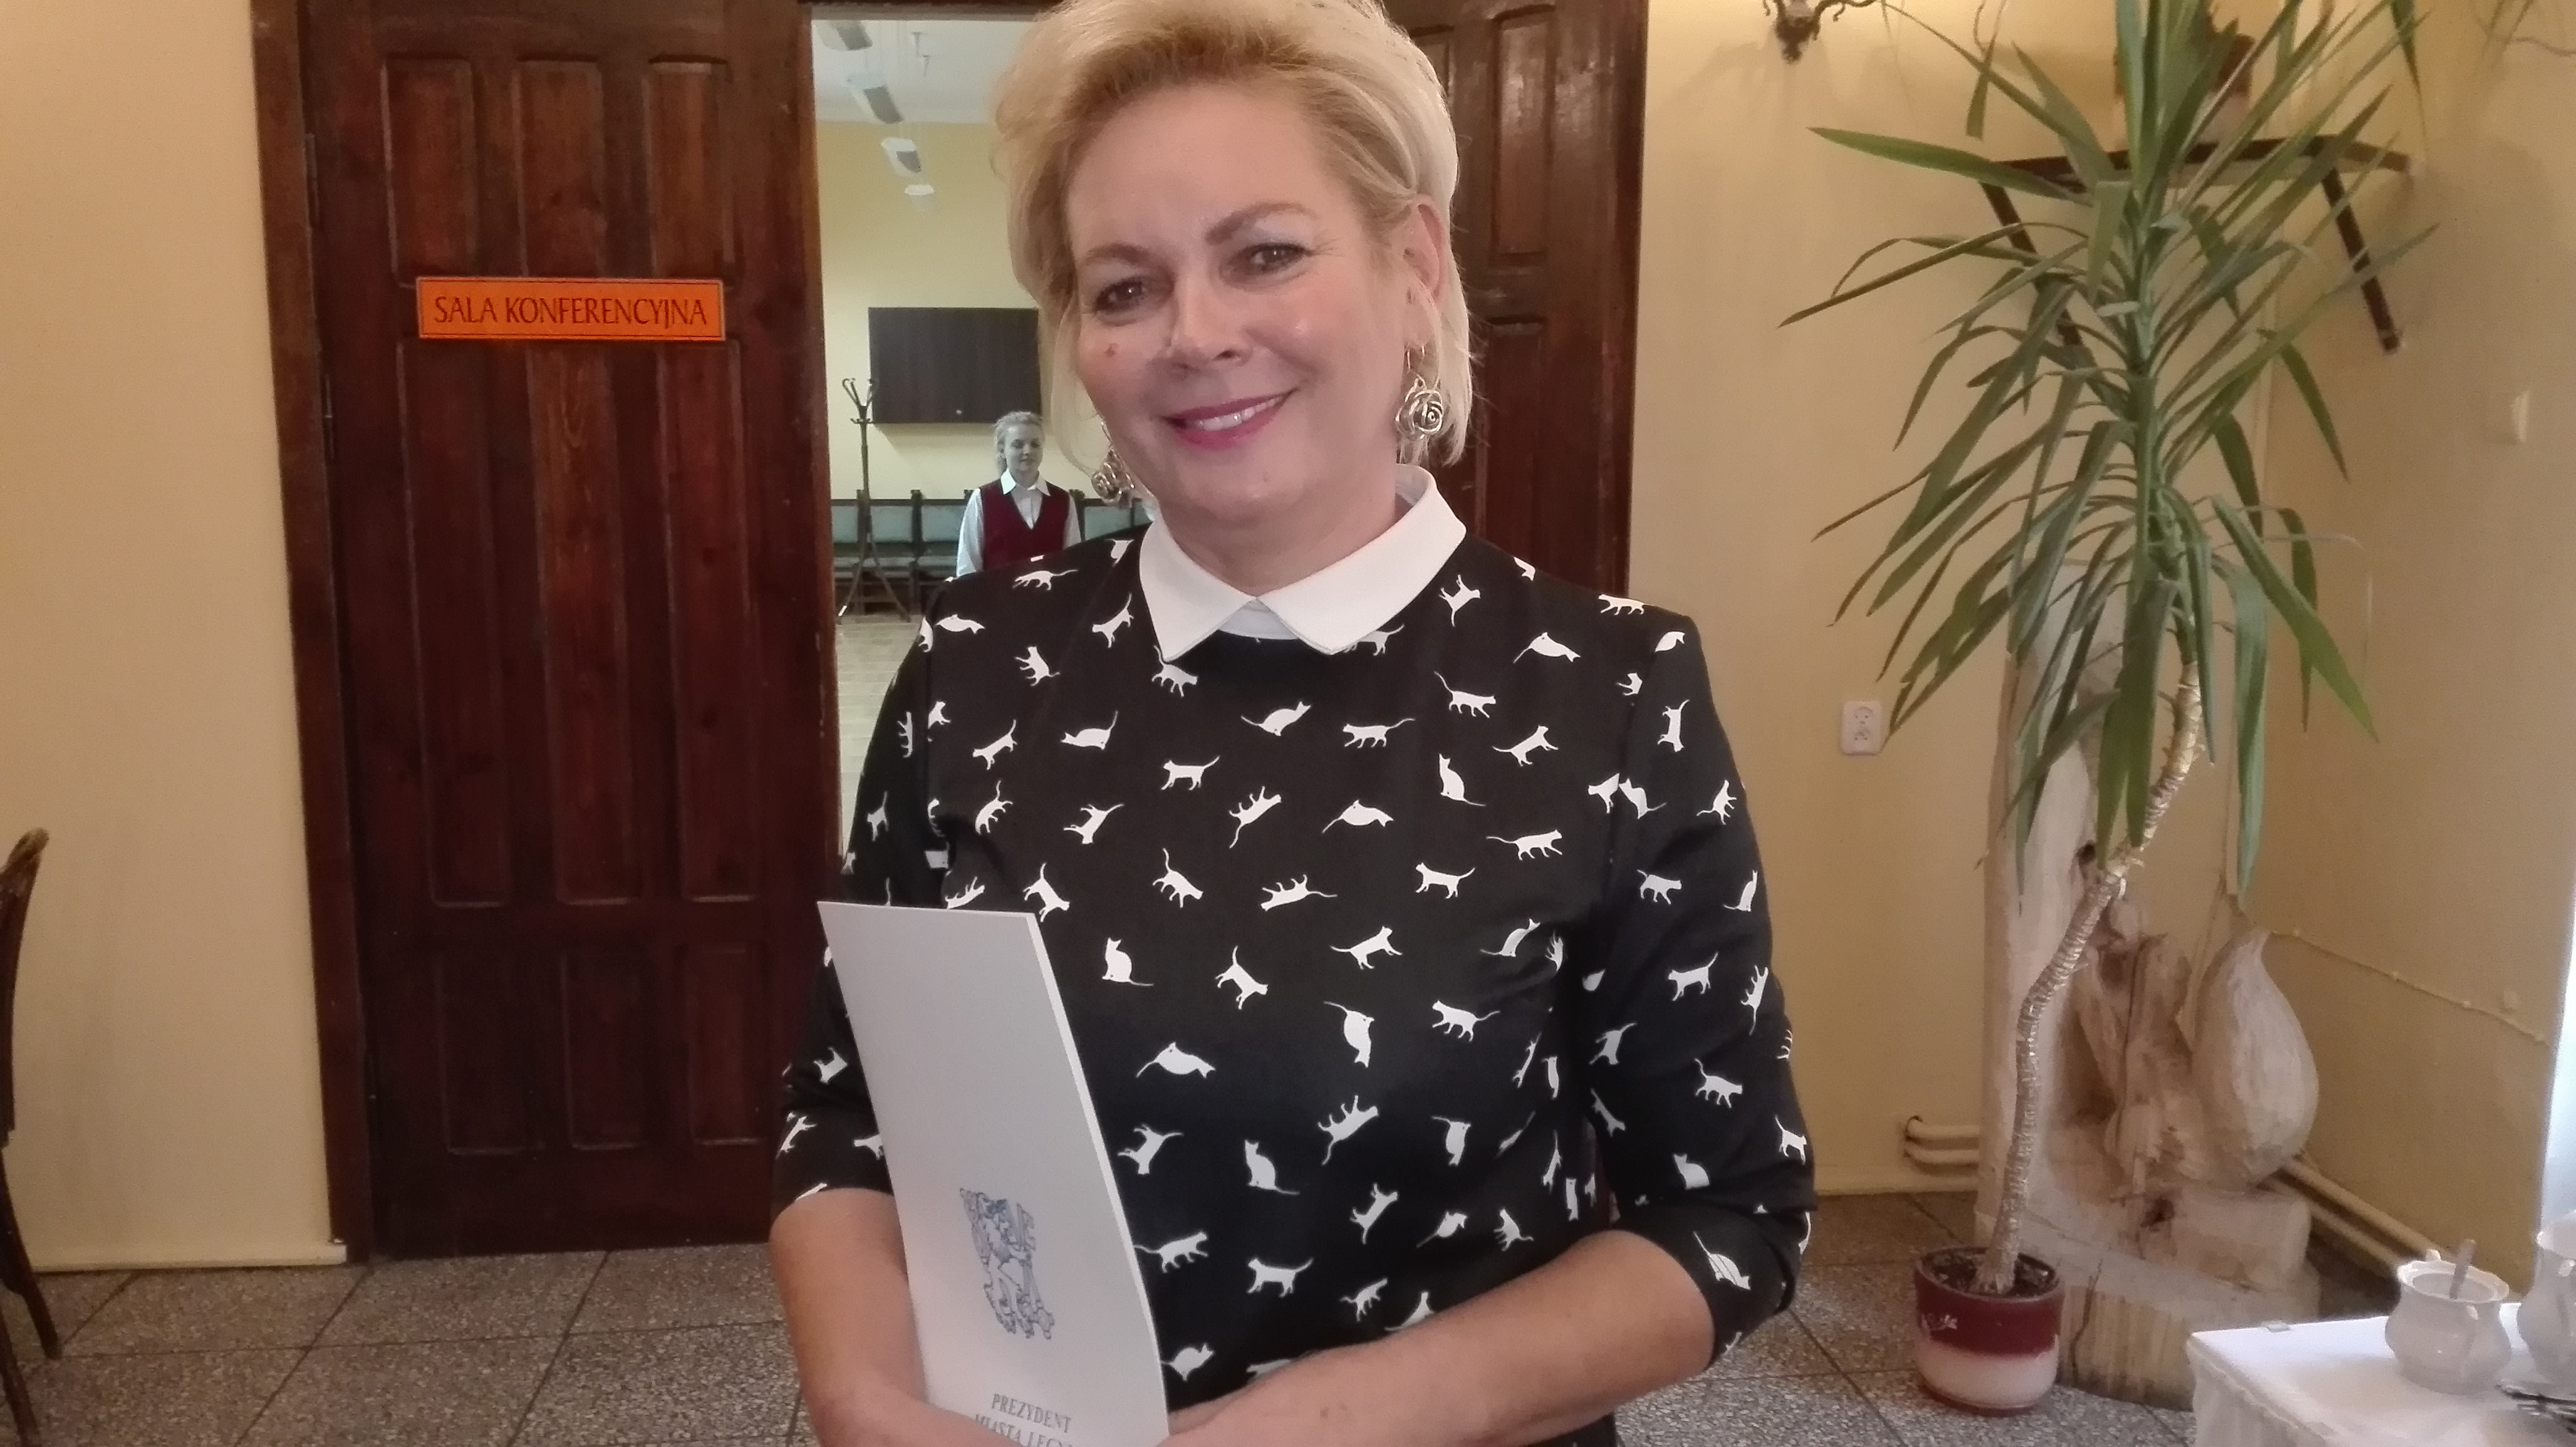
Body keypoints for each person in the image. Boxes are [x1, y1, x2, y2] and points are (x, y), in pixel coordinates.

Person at [770, 1, 1814, 1443]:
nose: (1194, 333)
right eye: (1124, 287)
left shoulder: (1608, 689)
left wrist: (1341, 1415)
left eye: (1264, 253)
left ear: (1414, 267)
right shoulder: (973, 665)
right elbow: (847, 1110)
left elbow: (1730, 1214)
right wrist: (857, 1393)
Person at [954, 411, 1084, 577]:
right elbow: (968, 568)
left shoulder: (1063, 501)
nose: (1028, 451)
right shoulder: (982, 499)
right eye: (1018, 445)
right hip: (999, 594)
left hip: (1050, 594)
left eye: (1035, 444)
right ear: (1002, 450)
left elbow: (1073, 562)